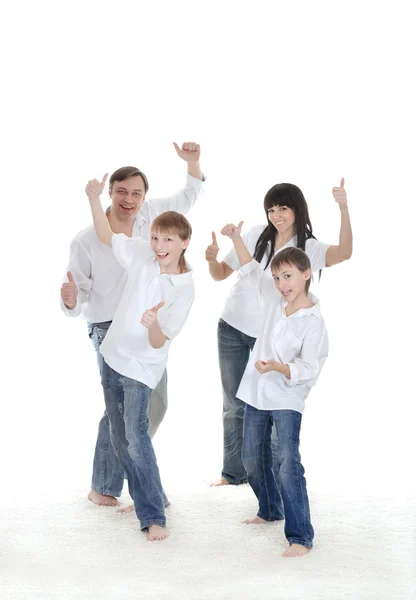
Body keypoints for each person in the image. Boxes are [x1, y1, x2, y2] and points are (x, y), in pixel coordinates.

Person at [61, 142, 204, 507]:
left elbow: (187, 198)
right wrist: (70, 299)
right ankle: (107, 488)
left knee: (155, 405)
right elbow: (77, 298)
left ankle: (133, 469)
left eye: (136, 193)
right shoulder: (86, 239)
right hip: (108, 326)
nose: (129, 199)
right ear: (110, 193)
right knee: (121, 412)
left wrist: (192, 163)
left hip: (146, 326)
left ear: (144, 197)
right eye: (122, 191)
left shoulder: (152, 220)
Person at [206, 180, 351, 488]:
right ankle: (233, 474)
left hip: (271, 337)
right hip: (232, 327)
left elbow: (345, 252)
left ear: (297, 209)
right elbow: (221, 274)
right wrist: (210, 259)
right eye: (271, 209)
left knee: (271, 406)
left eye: (283, 208)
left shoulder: (308, 248)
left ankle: (270, 480)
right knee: (234, 404)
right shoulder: (255, 234)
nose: (276, 215)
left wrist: (343, 207)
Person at [86, 170, 195, 541]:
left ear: (184, 243)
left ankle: (152, 516)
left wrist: (152, 322)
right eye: (154, 237)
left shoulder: (183, 287)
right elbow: (105, 235)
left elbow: (157, 341)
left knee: (136, 436)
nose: (159, 245)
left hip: (140, 368)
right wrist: (93, 197)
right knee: (119, 438)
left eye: (167, 239)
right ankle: (155, 495)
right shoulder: (142, 256)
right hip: (112, 355)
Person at [221, 226, 328, 556]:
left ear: (307, 273)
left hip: (286, 398)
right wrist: (235, 238)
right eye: (278, 278)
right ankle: (269, 509)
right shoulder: (273, 298)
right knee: (252, 457)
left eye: (289, 276)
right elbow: (251, 270)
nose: (282, 285)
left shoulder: (313, 322)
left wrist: (281, 368)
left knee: (286, 462)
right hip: (256, 392)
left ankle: (300, 535)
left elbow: (309, 370)